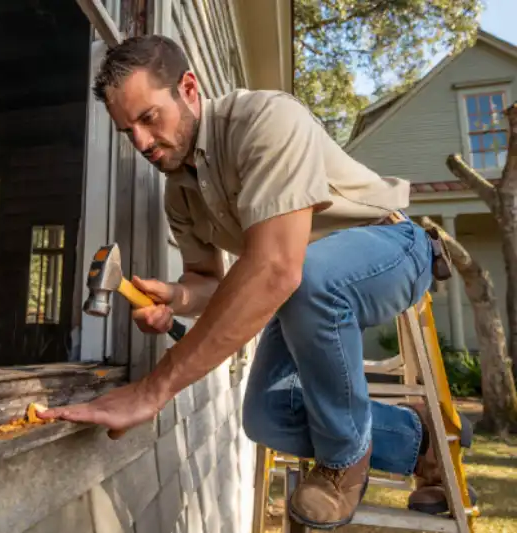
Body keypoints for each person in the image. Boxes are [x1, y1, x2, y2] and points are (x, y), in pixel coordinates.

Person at [37, 34, 470, 528]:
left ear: (189, 88)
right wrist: (177, 297)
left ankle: (344, 463)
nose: (140, 143)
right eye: (126, 130)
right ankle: (418, 438)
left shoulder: (266, 120)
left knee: (305, 276)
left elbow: (277, 269)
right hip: (304, 288)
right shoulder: (179, 191)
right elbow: (209, 281)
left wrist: (152, 389)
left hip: (392, 247)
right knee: (266, 415)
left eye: (148, 118)